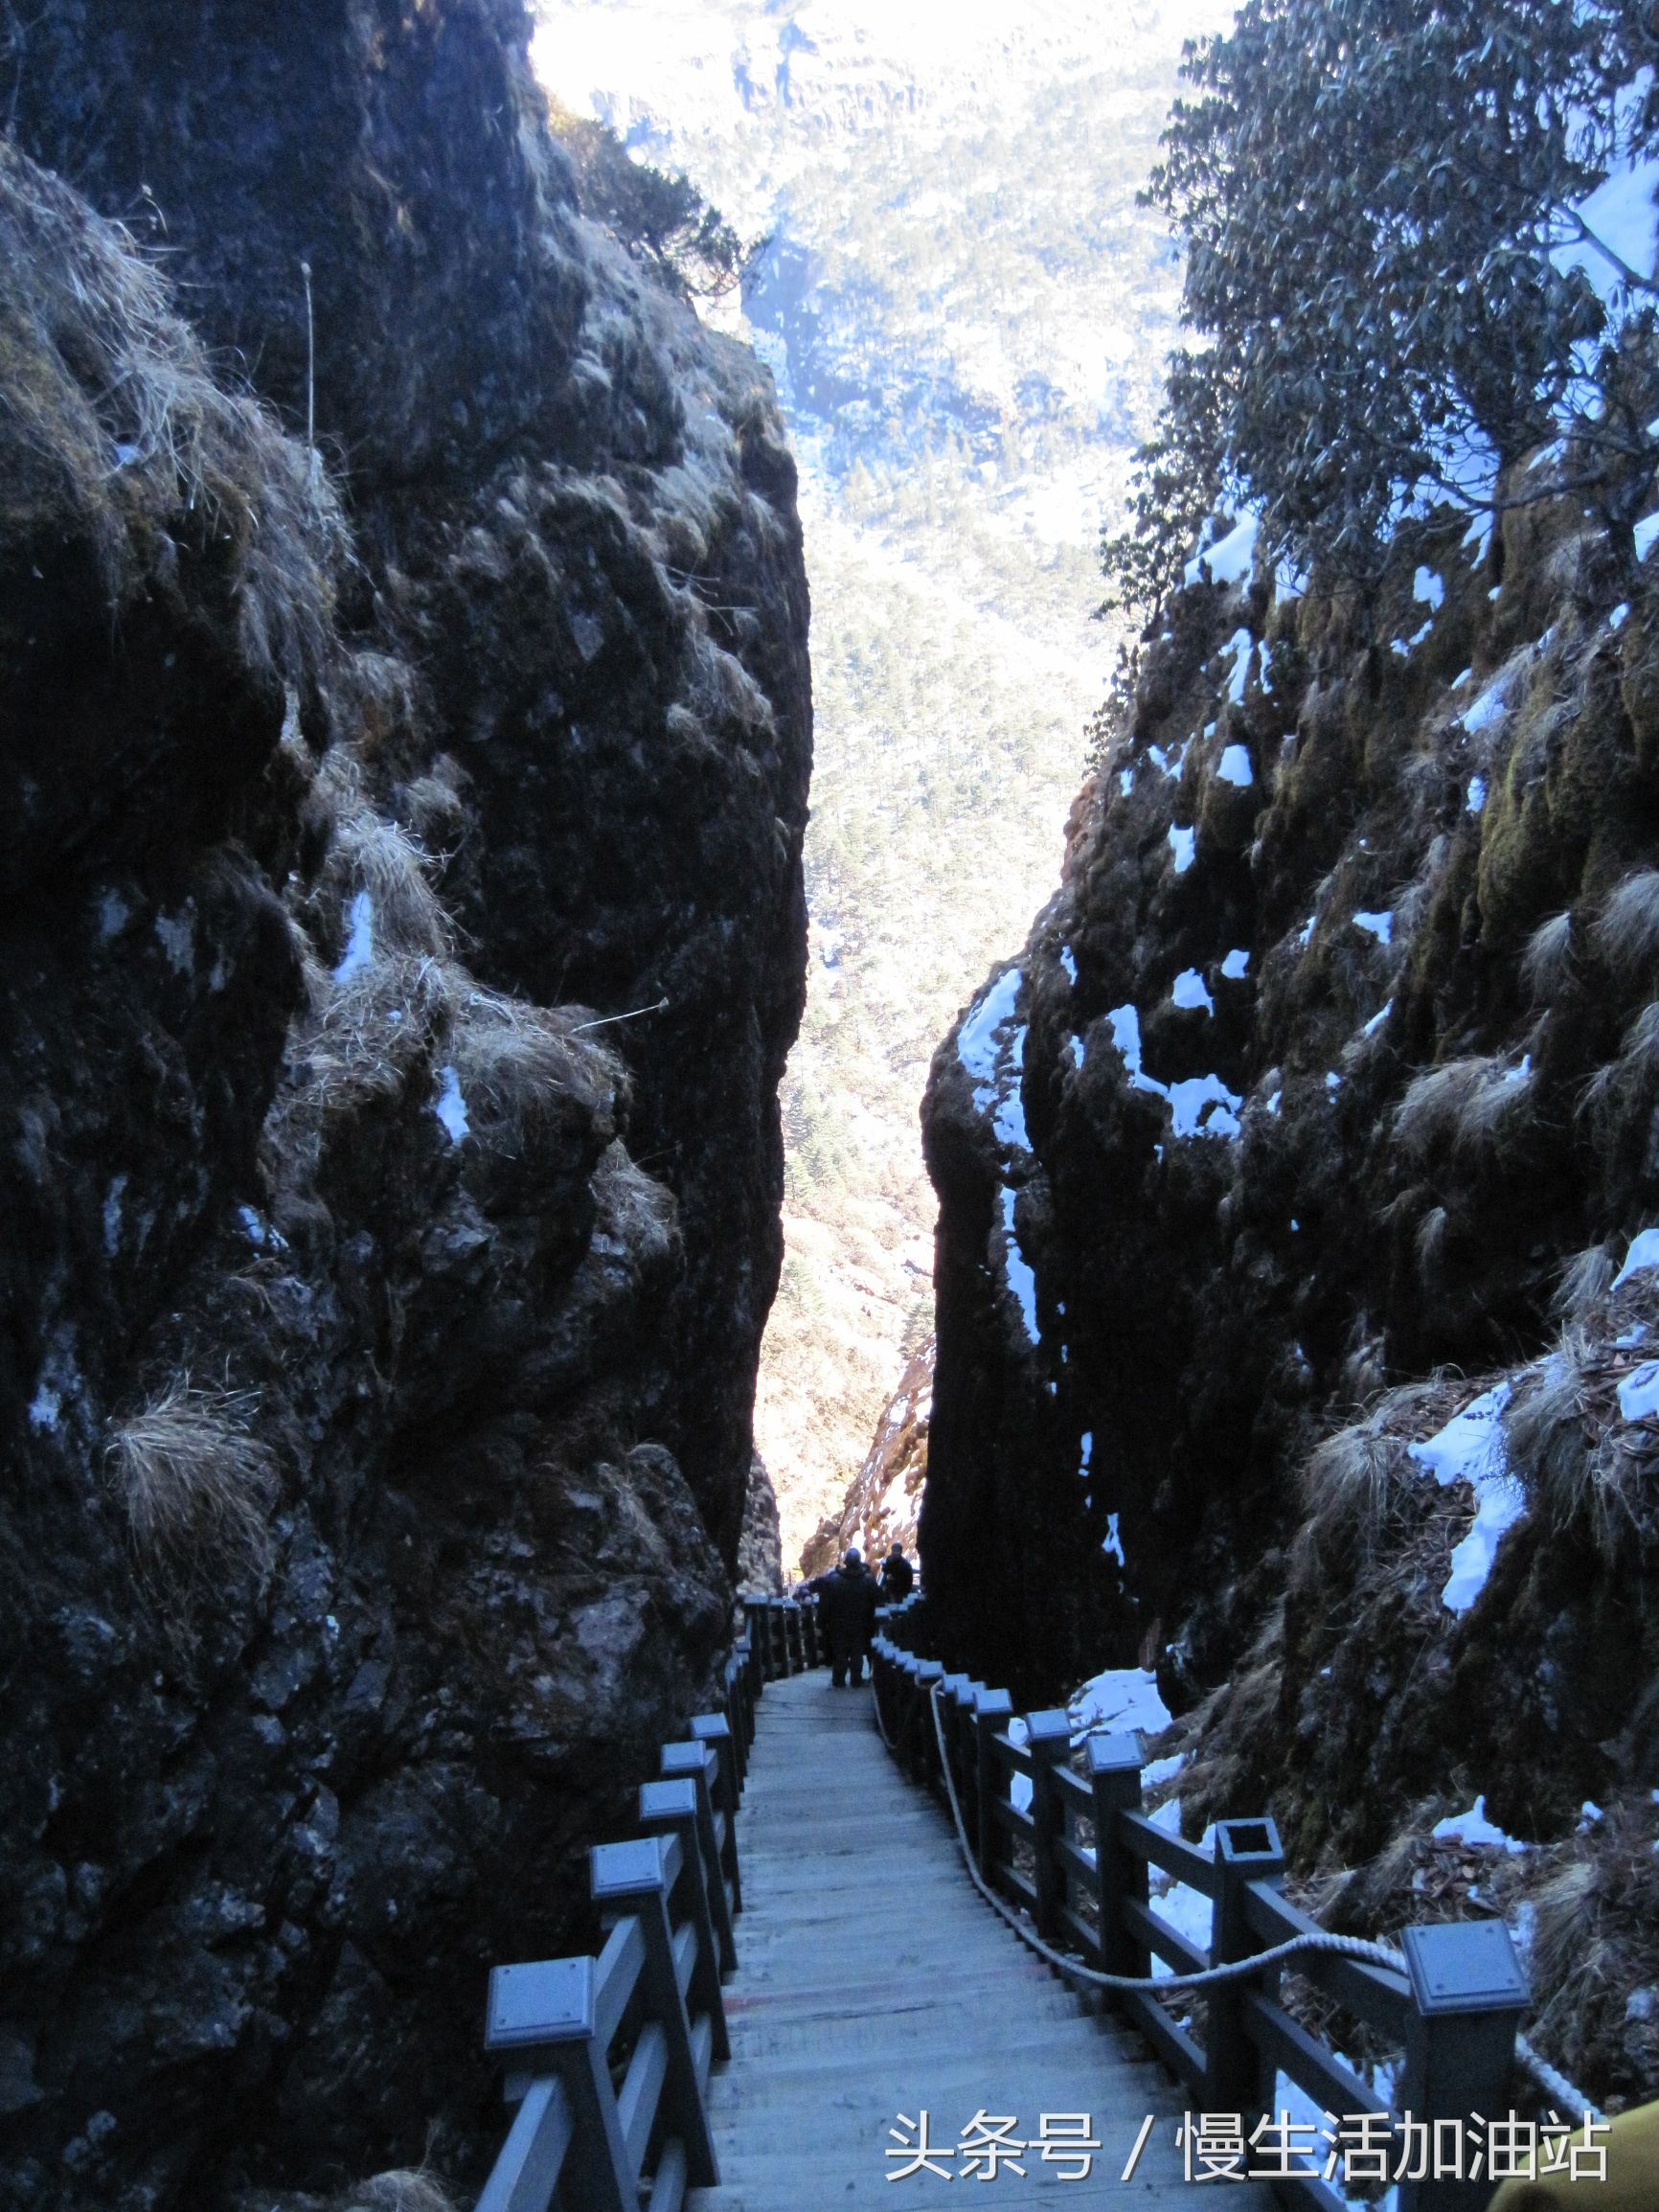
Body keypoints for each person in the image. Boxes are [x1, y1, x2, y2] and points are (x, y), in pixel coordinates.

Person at [812, 1547, 879, 1687]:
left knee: (840, 1652)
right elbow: (878, 1601)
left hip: (838, 1623)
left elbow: (825, 1603)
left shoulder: (834, 1580)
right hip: (861, 1623)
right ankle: (856, 1679)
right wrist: (875, 1622)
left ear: (846, 1561)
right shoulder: (868, 1580)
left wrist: (821, 1621)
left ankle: (838, 1679)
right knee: (857, 1651)